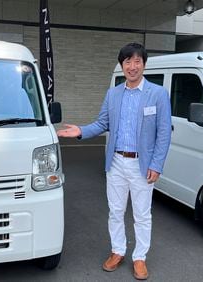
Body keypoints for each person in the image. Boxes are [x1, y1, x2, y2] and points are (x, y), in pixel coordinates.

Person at [57, 43, 171, 280]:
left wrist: (156, 165)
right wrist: (80, 131)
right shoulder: (114, 94)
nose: (132, 66)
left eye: (137, 61)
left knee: (142, 214)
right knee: (115, 211)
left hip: (143, 165)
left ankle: (140, 257)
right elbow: (102, 123)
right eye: (127, 61)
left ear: (144, 64)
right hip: (117, 163)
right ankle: (118, 250)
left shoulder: (157, 94)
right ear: (122, 65)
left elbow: (164, 133)